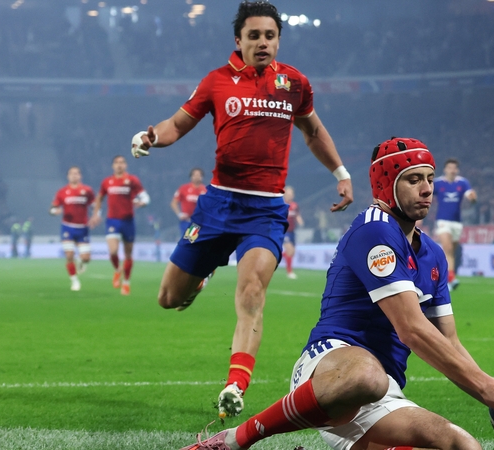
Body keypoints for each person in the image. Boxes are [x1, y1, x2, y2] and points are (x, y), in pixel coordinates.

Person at [180, 137, 494, 450]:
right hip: (331, 367)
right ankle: (231, 441)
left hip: (383, 392)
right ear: (385, 186)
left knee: (464, 444)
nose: (427, 189)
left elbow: (450, 341)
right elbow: (411, 329)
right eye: (413, 180)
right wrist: (485, 387)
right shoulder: (374, 231)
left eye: (429, 178)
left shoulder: (434, 254)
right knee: (367, 376)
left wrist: (493, 394)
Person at [130, 1, 353, 418]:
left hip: (266, 211)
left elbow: (314, 131)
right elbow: (176, 125)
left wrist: (340, 171)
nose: (263, 43)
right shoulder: (216, 82)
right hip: (218, 205)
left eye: (270, 35)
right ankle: (200, 277)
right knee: (168, 297)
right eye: (254, 36)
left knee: (252, 291)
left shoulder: (294, 84)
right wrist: (149, 137)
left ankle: (236, 384)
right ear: (239, 40)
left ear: (278, 40)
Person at [89, 155, 150, 296]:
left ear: (126, 165)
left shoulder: (132, 180)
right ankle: (117, 270)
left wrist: (143, 202)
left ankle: (126, 283)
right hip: (112, 221)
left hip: (128, 221)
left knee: (128, 254)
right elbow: (100, 198)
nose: (119, 165)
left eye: (122, 162)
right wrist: (96, 214)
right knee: (113, 251)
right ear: (112, 166)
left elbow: (145, 196)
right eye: (116, 162)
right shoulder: (107, 182)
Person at [433, 158, 476, 291]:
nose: (452, 170)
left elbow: (471, 195)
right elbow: (425, 194)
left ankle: (448, 278)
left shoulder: (462, 183)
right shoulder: (438, 183)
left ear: (457, 170)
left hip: (457, 222)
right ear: (445, 169)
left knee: (453, 252)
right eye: (450, 167)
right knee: (448, 248)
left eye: (454, 168)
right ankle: (451, 279)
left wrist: (473, 198)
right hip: (442, 221)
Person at [50, 167, 95, 291]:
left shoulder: (87, 190)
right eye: (71, 173)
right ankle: (74, 281)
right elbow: (52, 208)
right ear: (68, 176)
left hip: (83, 228)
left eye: (76, 173)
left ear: (80, 176)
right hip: (67, 227)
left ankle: (81, 261)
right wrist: (55, 211)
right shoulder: (62, 192)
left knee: (86, 258)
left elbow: (95, 205)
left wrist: (96, 216)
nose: (74, 175)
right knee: (69, 255)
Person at [171, 168, 208, 239]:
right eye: (195, 175)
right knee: (187, 241)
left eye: (199, 175)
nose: (197, 177)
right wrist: (179, 214)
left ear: (202, 177)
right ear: (191, 176)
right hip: (186, 220)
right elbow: (174, 203)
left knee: (190, 241)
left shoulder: (206, 190)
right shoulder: (183, 188)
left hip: (198, 222)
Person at [282, 185, 304, 279]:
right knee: (290, 250)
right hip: (283, 231)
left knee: (292, 252)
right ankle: (290, 272)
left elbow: (297, 215)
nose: (290, 195)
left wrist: (300, 221)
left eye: (291, 194)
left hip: (292, 231)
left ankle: (279, 256)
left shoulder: (295, 205)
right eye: (288, 193)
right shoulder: (281, 205)